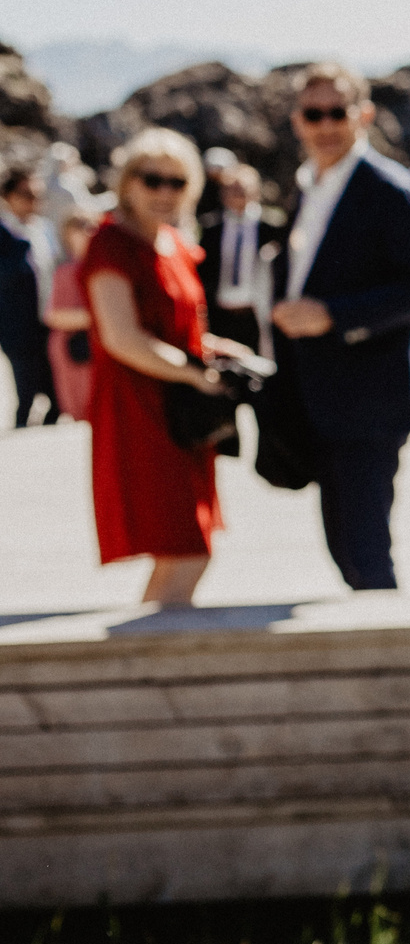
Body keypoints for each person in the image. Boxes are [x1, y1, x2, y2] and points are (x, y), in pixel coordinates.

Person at [269, 63, 410, 591]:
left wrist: (332, 316)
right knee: (343, 545)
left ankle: (394, 667)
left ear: (363, 115)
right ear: (298, 121)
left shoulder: (388, 189)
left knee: (366, 552)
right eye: (313, 114)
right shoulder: (308, 186)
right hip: (318, 397)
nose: (326, 125)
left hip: (371, 398)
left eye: (337, 112)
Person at [81, 131, 244, 606]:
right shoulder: (110, 244)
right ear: (127, 183)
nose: (164, 192)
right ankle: (147, 665)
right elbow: (121, 337)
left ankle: (148, 660)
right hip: (141, 408)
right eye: (151, 180)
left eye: (177, 182)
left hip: (183, 410)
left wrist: (215, 352)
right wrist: (196, 374)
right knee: (184, 544)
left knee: (189, 543)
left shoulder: (174, 243)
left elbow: (178, 329)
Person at [197, 162, 281, 356]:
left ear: (255, 192)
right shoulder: (211, 228)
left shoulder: (271, 226)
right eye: (231, 189)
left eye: (242, 189)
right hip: (220, 313)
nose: (237, 195)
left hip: (257, 314)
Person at [2, 168, 58, 426]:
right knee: (26, 393)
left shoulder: (43, 228)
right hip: (15, 324)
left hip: (49, 319)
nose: (33, 201)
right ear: (8, 196)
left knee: (55, 393)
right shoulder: (5, 233)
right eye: (26, 195)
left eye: (37, 195)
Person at [44, 210, 99, 425]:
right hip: (72, 349)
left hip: (96, 346)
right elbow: (54, 316)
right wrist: (101, 316)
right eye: (79, 227)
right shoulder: (64, 271)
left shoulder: (100, 268)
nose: (86, 232)